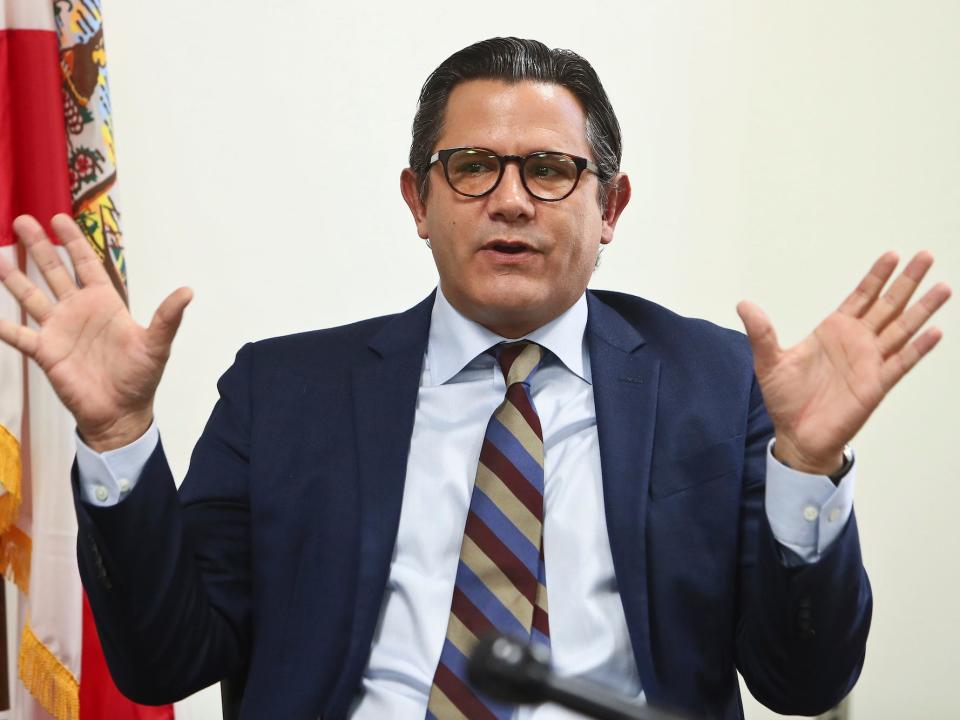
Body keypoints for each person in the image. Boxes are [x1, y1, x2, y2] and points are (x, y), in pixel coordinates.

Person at [0, 38, 951, 720]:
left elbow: (805, 682)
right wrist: (119, 436)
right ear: (418, 199)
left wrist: (808, 468)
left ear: (609, 205)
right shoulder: (283, 391)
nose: (508, 199)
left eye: (548, 170)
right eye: (469, 169)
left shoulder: (716, 382)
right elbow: (164, 662)